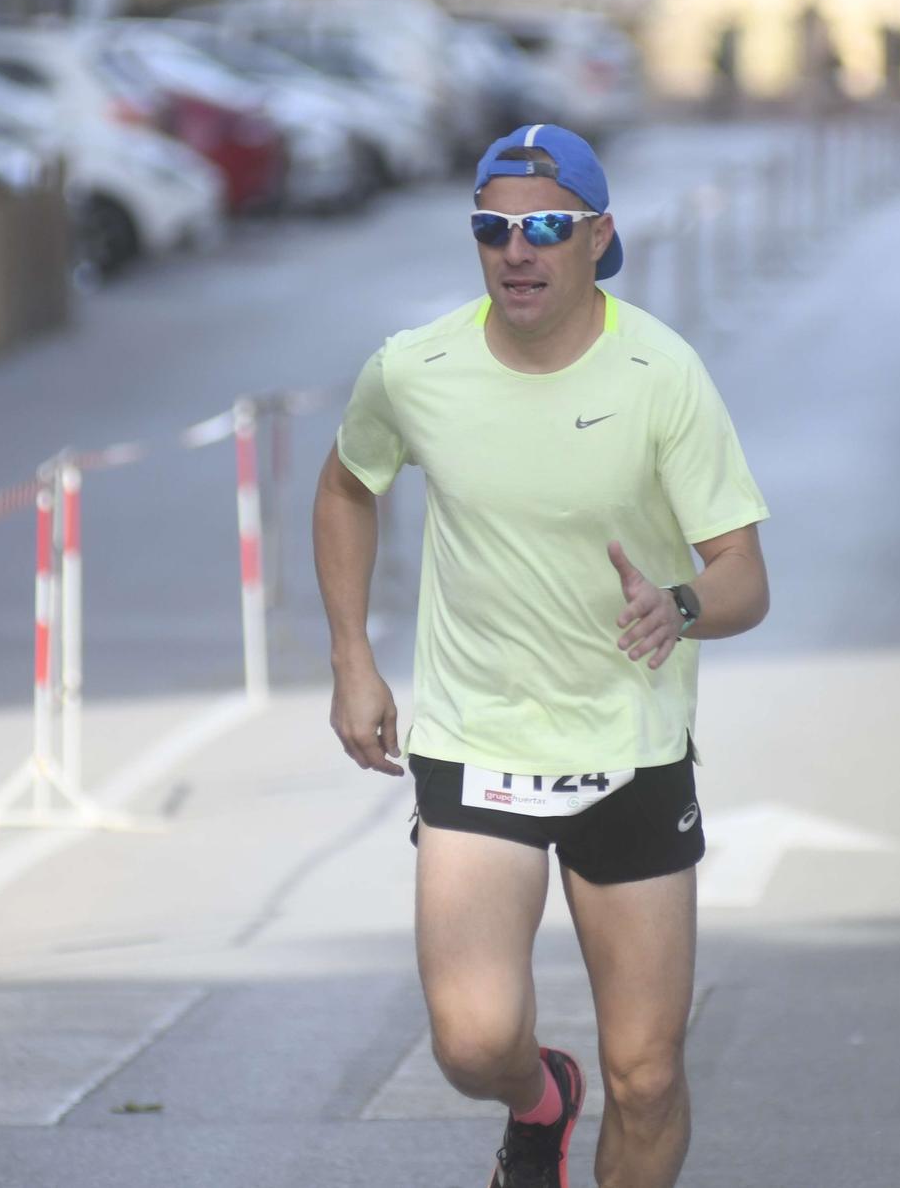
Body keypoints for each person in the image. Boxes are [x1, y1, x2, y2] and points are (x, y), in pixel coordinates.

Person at [313, 124, 770, 1187]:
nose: (517, 252)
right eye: (493, 229)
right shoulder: (414, 368)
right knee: (472, 1040)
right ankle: (539, 1096)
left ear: (598, 236)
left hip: (629, 748)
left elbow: (744, 572)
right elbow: (346, 484)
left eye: (547, 228)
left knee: (648, 1072)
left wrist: (680, 604)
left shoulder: (662, 373)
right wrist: (350, 656)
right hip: (479, 742)